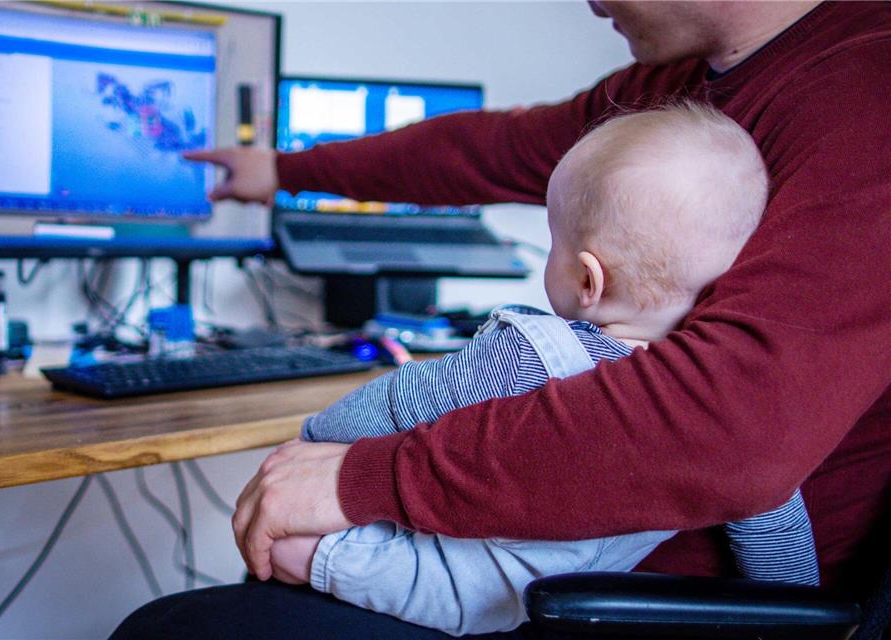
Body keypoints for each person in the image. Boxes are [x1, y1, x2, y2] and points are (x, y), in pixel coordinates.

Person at [113, 2, 890, 637]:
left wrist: (355, 474)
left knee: (177, 630)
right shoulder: (683, 86)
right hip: (560, 559)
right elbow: (486, 151)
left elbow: (733, 433)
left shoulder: (865, 93)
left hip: (632, 603)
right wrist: (283, 172)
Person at [266, 104, 818, 636]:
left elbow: (401, 401)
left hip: (454, 580)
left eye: (555, 241)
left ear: (587, 282)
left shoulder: (534, 355)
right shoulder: (727, 413)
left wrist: (317, 439)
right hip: (572, 601)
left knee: (286, 544)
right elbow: (779, 542)